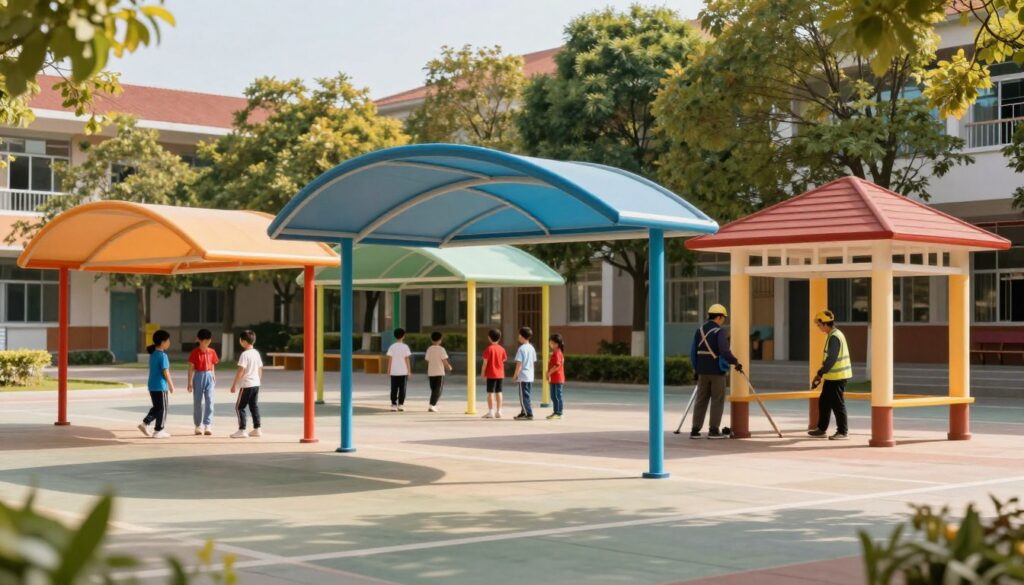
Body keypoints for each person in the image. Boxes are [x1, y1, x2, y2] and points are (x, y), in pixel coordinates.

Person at [689, 303, 742, 439]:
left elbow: (693, 352)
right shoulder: (719, 332)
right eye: (723, 317)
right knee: (717, 400)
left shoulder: (699, 330)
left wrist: (696, 368)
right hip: (717, 372)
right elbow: (724, 351)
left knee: (701, 400)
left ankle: (695, 430)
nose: (723, 320)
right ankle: (713, 430)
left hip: (702, 371)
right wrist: (735, 362)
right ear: (719, 317)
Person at [809, 310, 851, 440]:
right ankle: (821, 429)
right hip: (832, 377)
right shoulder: (833, 334)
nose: (818, 327)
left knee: (838, 404)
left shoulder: (834, 336)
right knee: (824, 402)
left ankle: (843, 432)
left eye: (819, 325)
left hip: (838, 377)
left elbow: (832, 359)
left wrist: (820, 373)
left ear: (824, 323)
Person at [139, 329, 175, 439]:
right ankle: (159, 430)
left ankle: (147, 424)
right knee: (162, 408)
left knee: (157, 407)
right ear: (162, 342)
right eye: (168, 340)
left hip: (152, 385)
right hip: (160, 386)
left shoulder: (153, 354)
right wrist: (171, 385)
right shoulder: (163, 356)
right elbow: (165, 371)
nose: (169, 342)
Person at [230, 330, 263, 438]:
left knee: (239, 407)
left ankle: (242, 429)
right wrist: (258, 380)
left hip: (247, 385)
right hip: (256, 384)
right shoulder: (256, 353)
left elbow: (241, 370)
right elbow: (260, 368)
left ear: (243, 341)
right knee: (254, 406)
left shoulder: (245, 355)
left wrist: (234, 384)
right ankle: (257, 428)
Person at [187, 328, 219, 436]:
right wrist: (190, 382)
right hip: (199, 376)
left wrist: (213, 375)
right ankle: (198, 425)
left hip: (209, 376)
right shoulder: (195, 352)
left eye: (209, 341)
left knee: (210, 401)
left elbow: (213, 364)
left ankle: (207, 424)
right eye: (205, 341)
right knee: (197, 401)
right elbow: (191, 368)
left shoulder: (212, 352)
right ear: (199, 340)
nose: (207, 343)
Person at [481, 328, 507, 419]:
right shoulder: (502, 349)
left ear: (489, 338)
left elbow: (485, 363)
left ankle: (491, 411)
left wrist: (482, 373)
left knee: (490, 393)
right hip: (500, 374)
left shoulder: (488, 349)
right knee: (499, 392)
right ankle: (499, 411)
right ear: (499, 338)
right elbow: (504, 360)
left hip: (491, 374)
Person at [512, 327, 538, 421]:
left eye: (519, 334)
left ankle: (529, 413)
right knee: (526, 395)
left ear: (522, 336)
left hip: (523, 376)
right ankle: (524, 412)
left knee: (523, 396)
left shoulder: (521, 349)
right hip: (530, 375)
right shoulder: (532, 348)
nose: (518, 336)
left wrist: (515, 375)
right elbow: (533, 361)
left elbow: (519, 364)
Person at [424, 331, 453, 412]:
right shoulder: (441, 349)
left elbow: (427, 360)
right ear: (440, 340)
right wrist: (449, 367)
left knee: (433, 389)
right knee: (438, 390)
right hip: (439, 373)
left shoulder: (429, 349)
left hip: (431, 372)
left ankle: (433, 404)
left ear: (431, 340)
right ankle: (432, 405)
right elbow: (444, 360)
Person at [386, 328, 412, 412]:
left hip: (394, 371)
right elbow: (407, 359)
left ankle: (393, 404)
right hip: (403, 372)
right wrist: (409, 370)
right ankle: (401, 404)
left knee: (393, 389)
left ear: (394, 336)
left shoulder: (392, 347)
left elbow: (390, 359)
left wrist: (388, 369)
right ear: (403, 336)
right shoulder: (405, 347)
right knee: (402, 389)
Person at [546, 333, 566, 420]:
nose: (551, 345)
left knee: (557, 396)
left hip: (558, 378)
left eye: (552, 343)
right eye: (550, 343)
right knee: (553, 396)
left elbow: (557, 365)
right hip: (554, 379)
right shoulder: (555, 353)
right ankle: (555, 412)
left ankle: (559, 412)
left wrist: (549, 373)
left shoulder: (558, 353)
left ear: (557, 344)